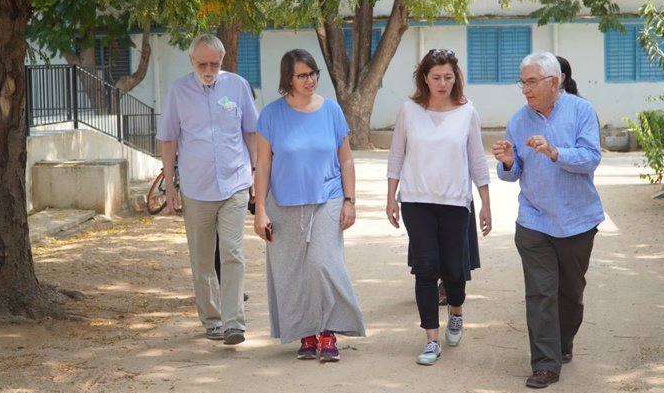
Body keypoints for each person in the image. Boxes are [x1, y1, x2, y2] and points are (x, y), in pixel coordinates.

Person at [492, 51, 604, 389]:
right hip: (534, 221)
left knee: (570, 293)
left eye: (531, 82)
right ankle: (545, 363)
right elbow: (512, 175)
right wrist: (510, 162)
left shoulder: (581, 111)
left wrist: (556, 152)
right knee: (540, 293)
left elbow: (590, 159)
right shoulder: (518, 120)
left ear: (554, 83)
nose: (524, 89)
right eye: (522, 82)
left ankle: (562, 340)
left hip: (577, 221)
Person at [254, 49, 365, 362]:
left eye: (313, 73)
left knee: (322, 262)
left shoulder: (331, 111)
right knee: (292, 272)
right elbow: (262, 166)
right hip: (284, 203)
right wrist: (260, 210)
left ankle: (329, 332)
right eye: (302, 75)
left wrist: (349, 200)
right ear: (288, 78)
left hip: (327, 198)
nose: (310, 80)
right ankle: (306, 334)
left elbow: (346, 158)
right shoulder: (271, 115)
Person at [386, 49, 492, 366]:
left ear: (455, 77)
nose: (442, 83)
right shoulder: (408, 111)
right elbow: (396, 156)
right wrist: (391, 196)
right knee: (426, 267)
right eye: (436, 78)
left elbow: (477, 159)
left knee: (452, 269)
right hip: (416, 200)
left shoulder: (467, 112)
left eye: (448, 77)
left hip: (455, 202)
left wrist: (486, 203)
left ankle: (456, 311)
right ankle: (431, 339)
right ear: (425, 79)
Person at [156, 34, 258, 345]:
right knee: (202, 259)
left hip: (234, 183)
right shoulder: (177, 92)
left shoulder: (238, 86)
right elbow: (169, 139)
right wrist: (170, 185)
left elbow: (251, 131)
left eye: (214, 63)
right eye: (202, 63)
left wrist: (255, 174)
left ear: (222, 61)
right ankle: (212, 319)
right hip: (196, 187)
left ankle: (233, 323)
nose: (208, 68)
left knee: (232, 251)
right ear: (192, 62)